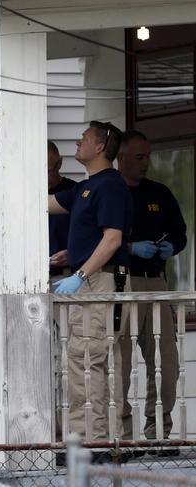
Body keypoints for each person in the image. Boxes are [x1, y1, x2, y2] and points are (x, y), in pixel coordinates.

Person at [49, 121, 133, 440]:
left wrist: (81, 274)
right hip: (88, 279)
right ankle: (91, 436)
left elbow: (112, 239)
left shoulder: (109, 185)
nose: (78, 142)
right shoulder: (87, 187)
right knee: (84, 357)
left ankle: (92, 439)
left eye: (84, 138)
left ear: (99, 147)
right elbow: (44, 204)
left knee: (88, 358)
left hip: (98, 281)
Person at [117, 130, 186, 440]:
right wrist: (131, 248)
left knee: (165, 362)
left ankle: (158, 431)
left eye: (148, 157)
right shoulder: (111, 191)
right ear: (121, 158)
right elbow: (96, 240)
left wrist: (171, 246)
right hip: (122, 280)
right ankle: (123, 433)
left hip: (156, 281)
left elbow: (180, 232)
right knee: (120, 363)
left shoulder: (159, 192)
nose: (146, 163)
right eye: (139, 157)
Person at [48, 140, 77, 279]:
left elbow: (91, 233)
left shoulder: (75, 191)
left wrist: (73, 253)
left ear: (59, 164)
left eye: (48, 170)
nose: (44, 176)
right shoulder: (26, 193)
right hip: (30, 274)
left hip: (66, 273)